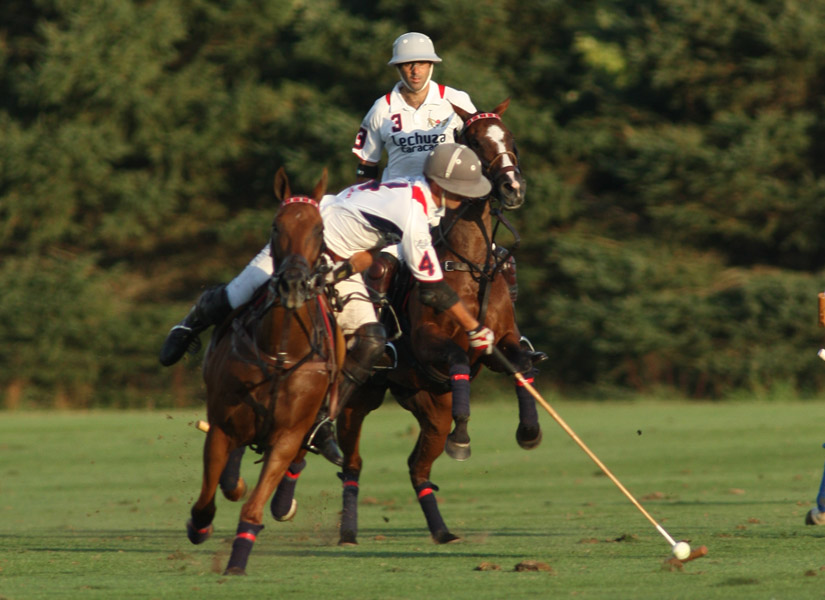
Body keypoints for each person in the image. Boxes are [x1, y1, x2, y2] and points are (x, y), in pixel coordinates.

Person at [158, 143, 497, 466]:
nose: (467, 196)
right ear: (442, 184)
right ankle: (189, 324)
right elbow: (432, 289)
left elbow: (381, 250)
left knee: (371, 340)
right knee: (237, 294)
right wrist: (474, 327)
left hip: (340, 261)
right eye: (463, 189)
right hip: (303, 245)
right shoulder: (412, 208)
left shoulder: (422, 197)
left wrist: (344, 271)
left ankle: (321, 420)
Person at [352, 31, 545, 365]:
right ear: (399, 68)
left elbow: (481, 139)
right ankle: (385, 342)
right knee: (382, 267)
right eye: (408, 64)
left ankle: (512, 334)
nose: (415, 70)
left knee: (502, 261)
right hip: (399, 206)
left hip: (449, 203)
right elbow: (366, 167)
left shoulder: (455, 100)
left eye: (422, 63)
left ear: (432, 65)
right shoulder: (381, 109)